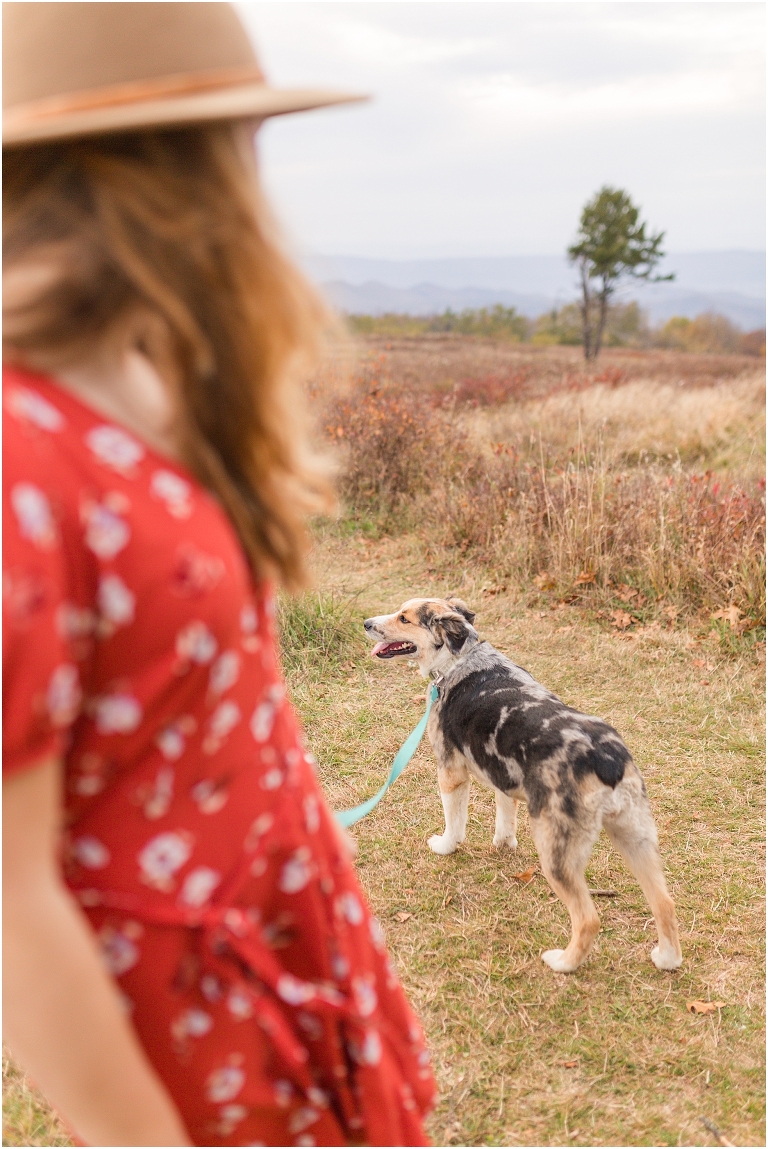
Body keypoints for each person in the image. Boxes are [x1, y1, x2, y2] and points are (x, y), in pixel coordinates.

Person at [2, 5, 436, 1146]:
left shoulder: (149, 382)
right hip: (183, 1047)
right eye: (235, 138)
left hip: (286, 953)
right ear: (171, 169)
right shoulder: (16, 450)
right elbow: (10, 901)